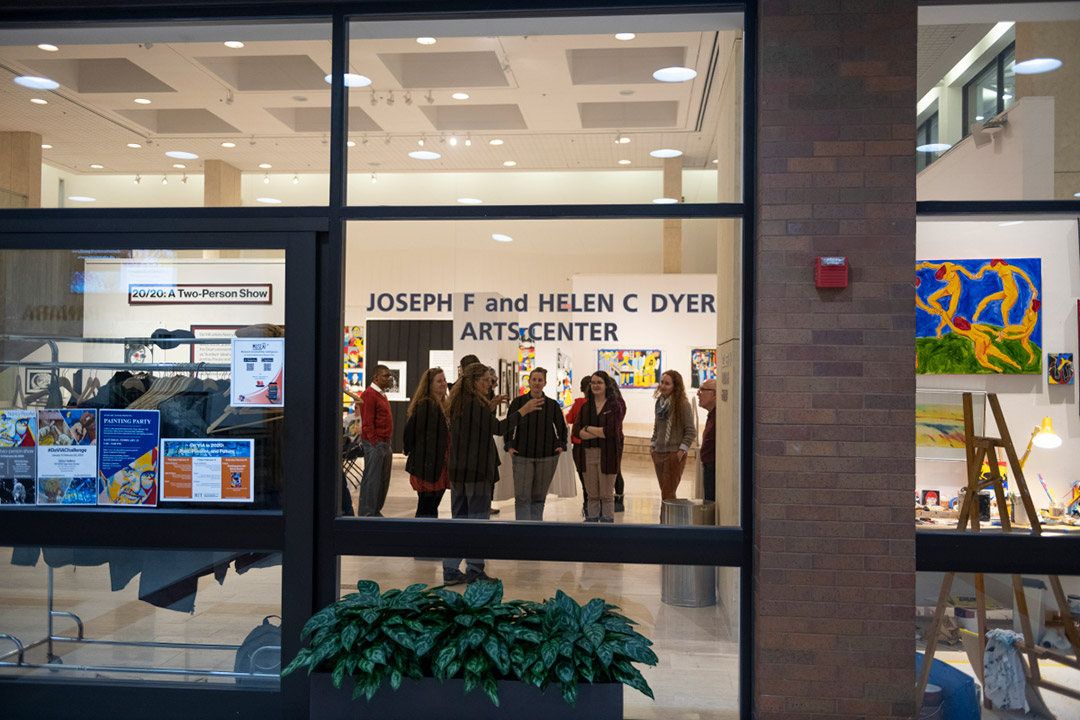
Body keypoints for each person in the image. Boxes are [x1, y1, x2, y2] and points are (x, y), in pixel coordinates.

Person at [443, 363, 542, 584]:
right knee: (477, 522)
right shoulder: (473, 404)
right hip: (476, 469)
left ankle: (450, 570)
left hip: (459, 469)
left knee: (458, 522)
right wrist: (522, 412)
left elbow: (475, 424)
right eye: (487, 380)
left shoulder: (460, 402)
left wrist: (489, 405)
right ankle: (475, 571)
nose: (491, 383)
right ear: (474, 381)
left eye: (491, 380)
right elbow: (497, 428)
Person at [507, 367, 567, 521]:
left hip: (546, 456)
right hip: (522, 455)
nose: (536, 383)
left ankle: (536, 528)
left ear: (545, 383)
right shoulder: (518, 402)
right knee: (522, 497)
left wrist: (561, 445)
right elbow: (509, 424)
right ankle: (522, 531)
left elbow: (561, 427)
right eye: (534, 379)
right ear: (529, 381)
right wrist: (509, 445)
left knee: (539, 498)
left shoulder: (552, 405)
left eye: (540, 380)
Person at [572, 371, 624, 522]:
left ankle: (607, 525)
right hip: (587, 454)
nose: (596, 385)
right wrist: (599, 431)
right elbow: (576, 431)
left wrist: (587, 428)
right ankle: (592, 523)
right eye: (593, 382)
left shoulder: (614, 405)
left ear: (606, 385)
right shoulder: (586, 406)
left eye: (599, 382)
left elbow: (612, 431)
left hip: (607, 455)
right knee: (592, 495)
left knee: (607, 496)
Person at [403, 367, 450, 518]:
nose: (443, 384)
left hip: (438, 463)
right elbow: (411, 430)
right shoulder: (426, 404)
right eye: (439, 381)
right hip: (427, 465)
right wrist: (408, 448)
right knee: (426, 507)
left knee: (432, 506)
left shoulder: (442, 404)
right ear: (429, 385)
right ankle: (421, 537)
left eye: (444, 380)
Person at [651, 369, 694, 505]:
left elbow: (690, 431)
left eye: (667, 384)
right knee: (666, 493)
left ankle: (667, 523)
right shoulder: (659, 403)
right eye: (662, 382)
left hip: (673, 454)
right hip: (658, 452)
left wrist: (680, 451)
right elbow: (657, 427)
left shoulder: (682, 404)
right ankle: (667, 522)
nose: (662, 386)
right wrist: (653, 445)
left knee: (668, 495)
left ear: (675, 387)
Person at [357, 364, 394, 517]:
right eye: (385, 375)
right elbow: (367, 422)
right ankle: (367, 513)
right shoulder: (369, 394)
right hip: (376, 444)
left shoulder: (381, 395)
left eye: (389, 375)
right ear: (376, 377)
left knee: (382, 482)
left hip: (385, 443)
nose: (389, 378)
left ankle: (375, 511)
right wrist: (374, 442)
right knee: (372, 480)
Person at [564, 376, 592, 517]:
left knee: (583, 475)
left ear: (581, 388)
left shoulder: (578, 403)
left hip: (579, 445)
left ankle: (587, 502)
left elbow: (569, 419)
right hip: (593, 444)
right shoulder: (598, 403)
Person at [697, 379, 717, 503]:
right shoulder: (711, 415)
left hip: (713, 470)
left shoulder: (719, 416)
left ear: (714, 393)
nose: (698, 393)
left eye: (702, 390)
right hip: (708, 469)